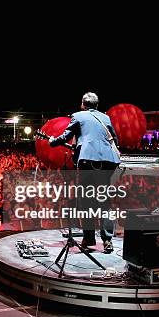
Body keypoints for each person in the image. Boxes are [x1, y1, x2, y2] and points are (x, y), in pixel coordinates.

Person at [50, 92, 120, 253]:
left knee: (87, 201)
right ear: (97, 105)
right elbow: (115, 140)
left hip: (88, 162)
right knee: (104, 202)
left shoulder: (78, 116)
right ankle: (107, 241)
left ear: (83, 104)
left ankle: (89, 238)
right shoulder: (106, 118)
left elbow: (65, 136)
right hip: (108, 163)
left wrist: (52, 141)